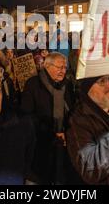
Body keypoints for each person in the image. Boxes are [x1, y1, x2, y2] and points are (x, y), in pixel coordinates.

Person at [21, 52, 77, 184]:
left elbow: (72, 110)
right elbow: (27, 115)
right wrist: (51, 133)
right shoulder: (33, 84)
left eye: (64, 67)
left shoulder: (68, 85)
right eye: (59, 67)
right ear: (47, 66)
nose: (63, 71)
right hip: (40, 144)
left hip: (63, 143)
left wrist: (67, 132)